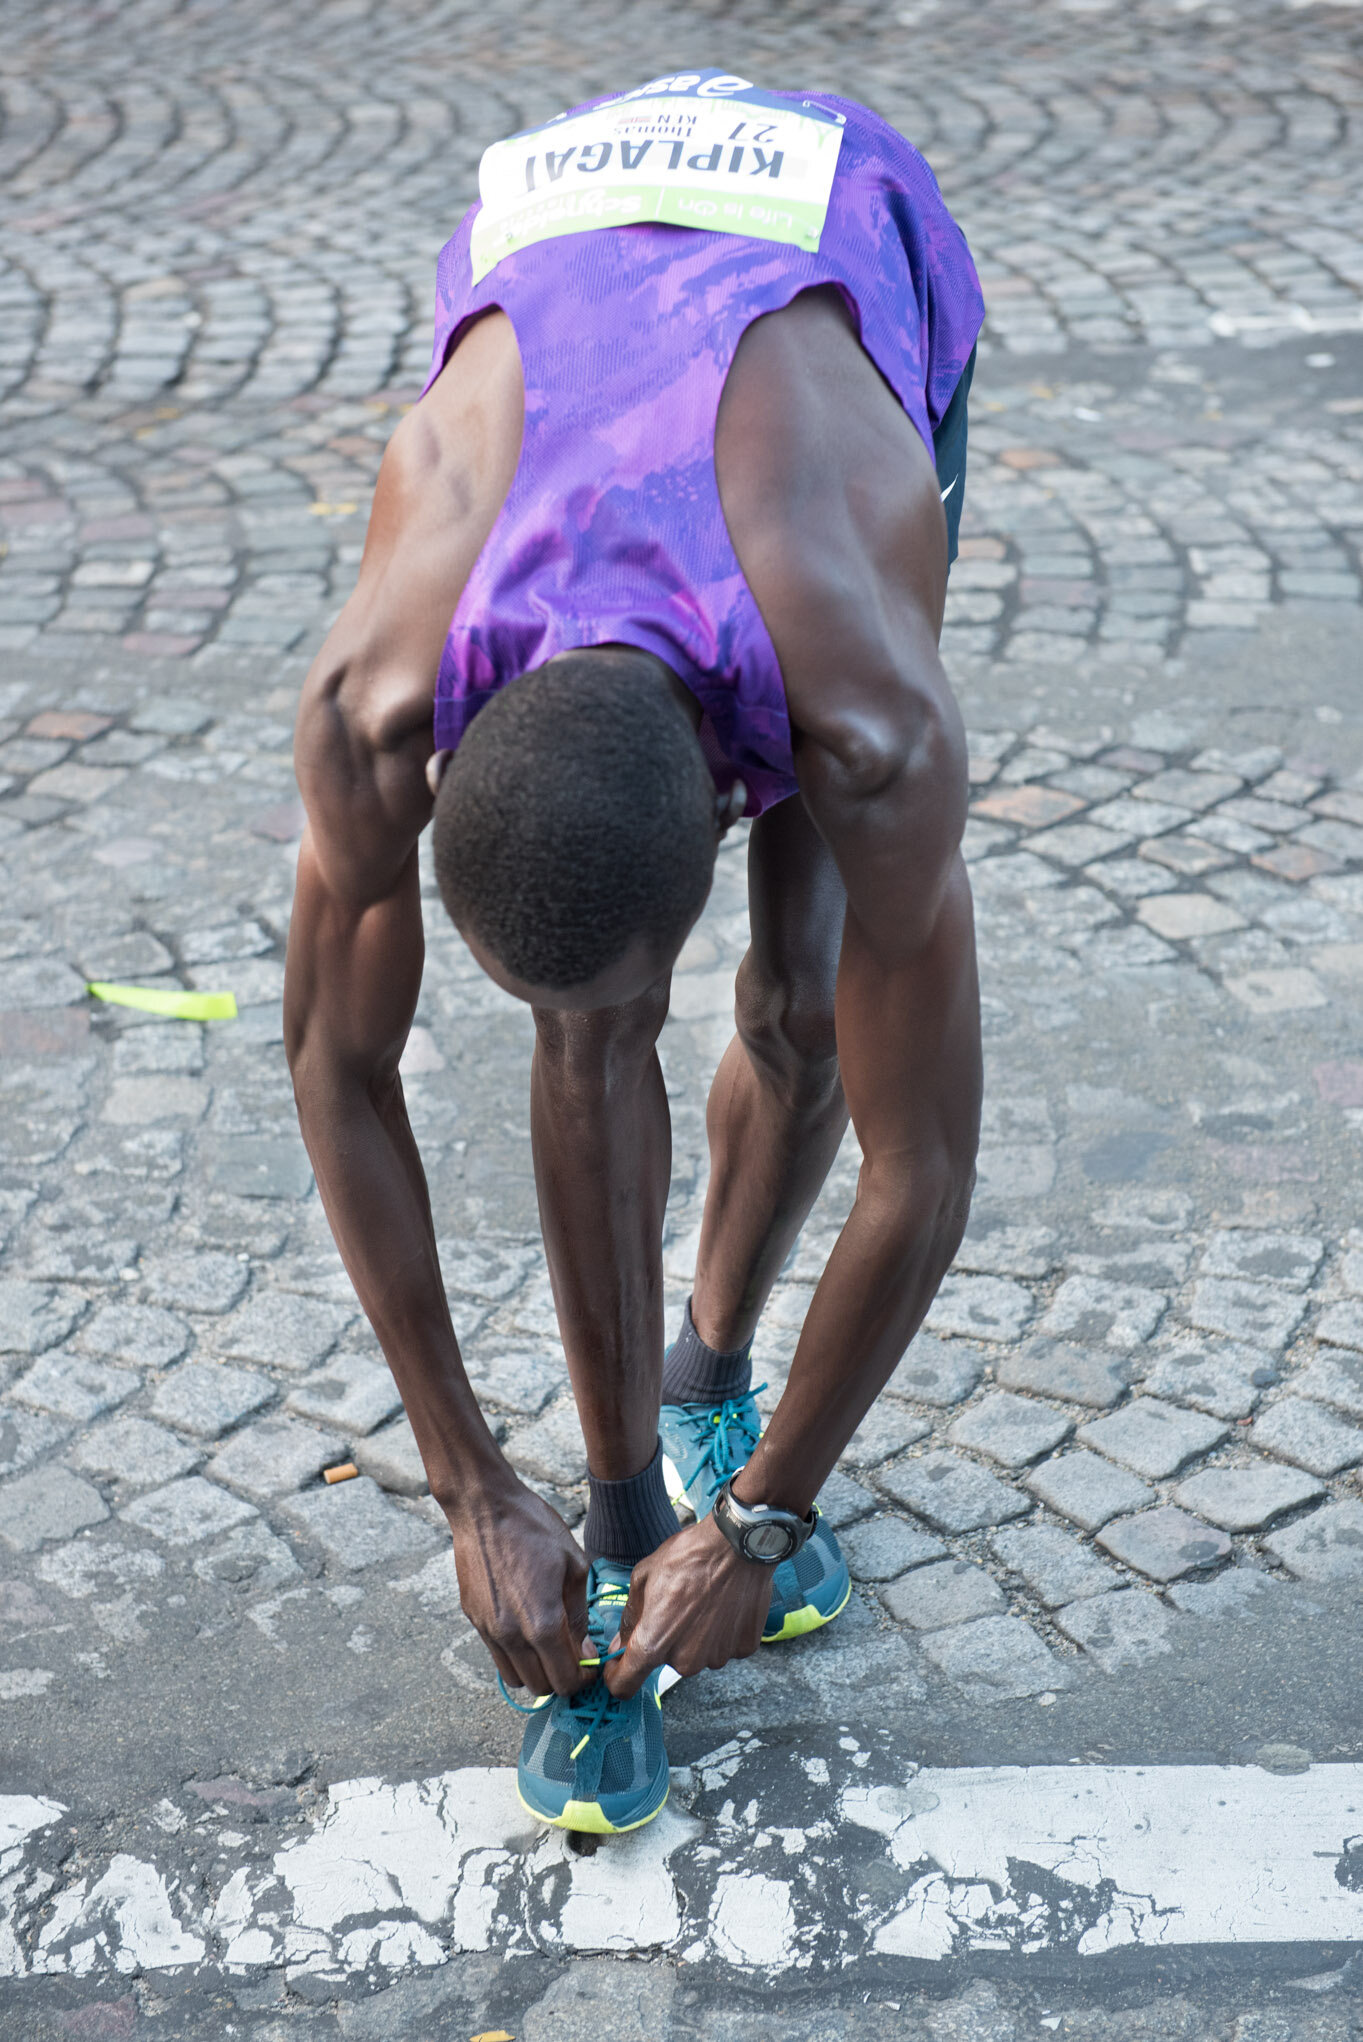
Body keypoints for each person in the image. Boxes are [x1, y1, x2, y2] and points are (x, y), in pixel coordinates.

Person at [285, 70, 984, 1836]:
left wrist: (760, 1517)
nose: (593, 1044)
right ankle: (610, 1518)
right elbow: (334, 1064)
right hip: (575, 254)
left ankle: (712, 1377)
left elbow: (925, 1167)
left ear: (737, 786)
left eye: (621, 1002)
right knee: (588, 1044)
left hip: (834, 255)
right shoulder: (377, 702)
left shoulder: (861, 713)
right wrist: (465, 1485)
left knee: (806, 1005)